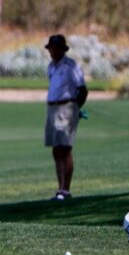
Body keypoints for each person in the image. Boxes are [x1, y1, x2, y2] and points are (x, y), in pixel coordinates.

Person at [44, 34, 87, 200]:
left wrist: (75, 108)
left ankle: (66, 189)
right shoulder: (51, 66)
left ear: (62, 49)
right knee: (56, 150)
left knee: (65, 148)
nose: (52, 51)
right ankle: (60, 188)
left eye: (55, 48)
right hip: (52, 108)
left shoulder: (71, 66)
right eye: (50, 48)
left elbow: (82, 90)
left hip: (66, 107)